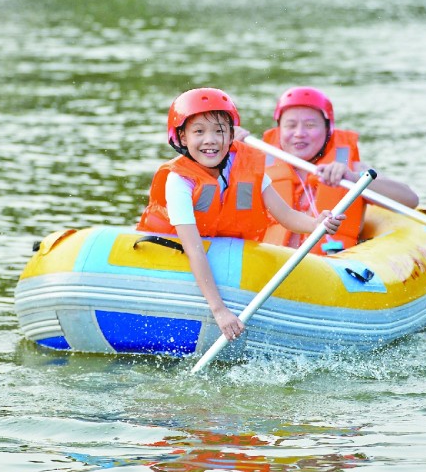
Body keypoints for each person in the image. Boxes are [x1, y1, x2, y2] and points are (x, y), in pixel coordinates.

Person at [137, 87, 344, 342]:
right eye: (199, 131)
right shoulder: (179, 180)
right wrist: (219, 310)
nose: (210, 140)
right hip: (176, 258)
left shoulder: (246, 166)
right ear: (182, 137)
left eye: (219, 131)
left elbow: (287, 215)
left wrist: (317, 223)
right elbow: (194, 249)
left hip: (227, 257)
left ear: (231, 135)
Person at [261, 86, 419, 253]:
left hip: (330, 264)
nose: (299, 133)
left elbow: (410, 200)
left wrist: (354, 179)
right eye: (290, 125)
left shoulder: (354, 169)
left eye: (310, 125)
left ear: (327, 128)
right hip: (269, 261)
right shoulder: (260, 170)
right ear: (279, 129)